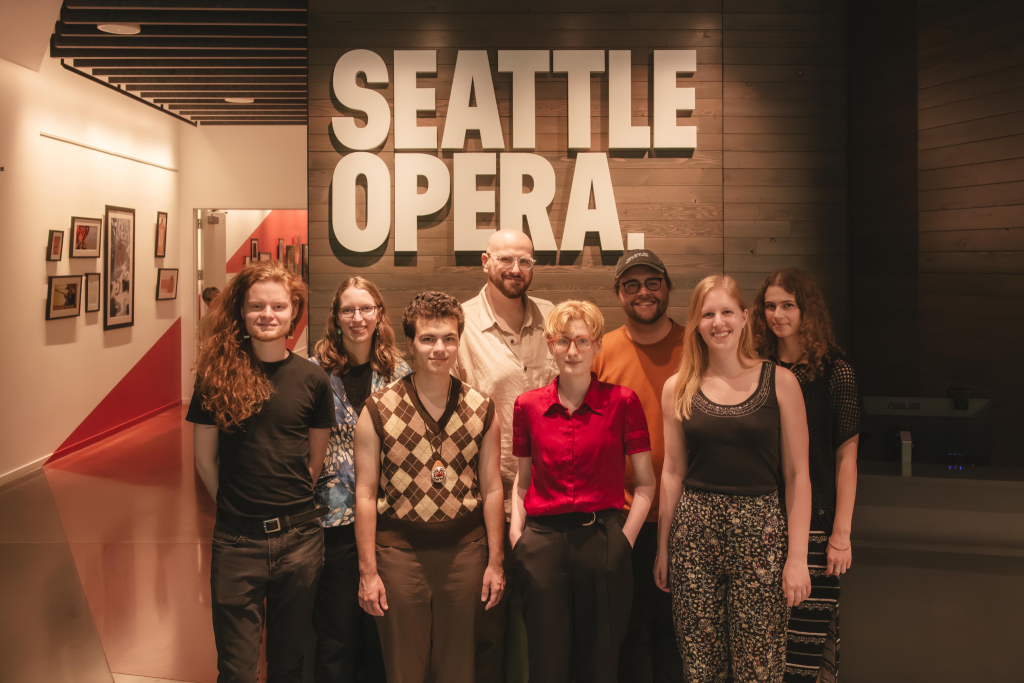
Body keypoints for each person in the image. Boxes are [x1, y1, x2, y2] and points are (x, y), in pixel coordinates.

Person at [655, 275, 813, 683]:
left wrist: (797, 558)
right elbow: (672, 471)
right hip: (694, 535)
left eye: (727, 312)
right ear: (696, 324)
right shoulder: (678, 388)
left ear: (745, 317)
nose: (718, 322)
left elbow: (798, 476)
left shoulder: (781, 382)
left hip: (761, 534)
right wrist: (663, 549)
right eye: (708, 314)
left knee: (758, 667)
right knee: (700, 665)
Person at [188, 260, 335, 682]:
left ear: (294, 313)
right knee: (235, 668)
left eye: (277, 306)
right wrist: (237, 509)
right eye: (256, 307)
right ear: (242, 312)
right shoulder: (216, 378)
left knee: (289, 664)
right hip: (236, 541)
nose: (267, 315)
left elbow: (314, 461)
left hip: (301, 541)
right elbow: (204, 460)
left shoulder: (313, 379)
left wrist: (284, 510)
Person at [354, 291, 506, 683]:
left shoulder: (481, 407)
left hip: (465, 555)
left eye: (449, 338)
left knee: (459, 668)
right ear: (410, 343)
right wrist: (368, 572)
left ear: (459, 340)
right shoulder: (378, 409)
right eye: (428, 338)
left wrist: (495, 561)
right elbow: (365, 496)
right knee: (405, 667)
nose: (439, 348)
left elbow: (492, 489)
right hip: (399, 557)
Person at [511, 299, 656, 683]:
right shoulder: (527, 406)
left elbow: (645, 484)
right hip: (541, 542)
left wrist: (624, 541)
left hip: (603, 538)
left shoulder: (622, 402)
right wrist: (517, 535)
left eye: (581, 340)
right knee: (546, 664)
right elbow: (522, 482)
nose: (572, 350)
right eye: (562, 341)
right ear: (550, 345)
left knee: (601, 662)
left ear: (596, 346)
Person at [457, 229, 557, 682]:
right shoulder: (459, 324)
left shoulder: (553, 319)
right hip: (487, 494)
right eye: (506, 260)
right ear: (485, 261)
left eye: (525, 261)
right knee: (489, 620)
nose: (516, 270)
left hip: (551, 496)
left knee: (544, 619)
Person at [751, 268, 861, 683]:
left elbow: (846, 457)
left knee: (806, 651)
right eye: (770, 305)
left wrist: (841, 533)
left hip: (817, 524)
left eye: (788, 305)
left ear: (806, 310)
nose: (778, 314)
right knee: (763, 648)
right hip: (762, 519)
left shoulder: (836, 371)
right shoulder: (757, 370)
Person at [310, 277, 411, 683]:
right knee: (336, 637)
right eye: (348, 310)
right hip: (331, 523)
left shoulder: (399, 372)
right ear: (335, 317)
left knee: (380, 634)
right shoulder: (313, 373)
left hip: (387, 519)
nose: (358, 318)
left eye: (366, 308)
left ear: (379, 313)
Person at [591, 249, 686, 683]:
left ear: (667, 287)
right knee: (625, 632)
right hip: (620, 514)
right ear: (618, 294)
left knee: (675, 633)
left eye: (652, 282)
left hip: (684, 515)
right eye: (632, 285)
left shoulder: (696, 347)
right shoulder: (602, 350)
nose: (643, 292)